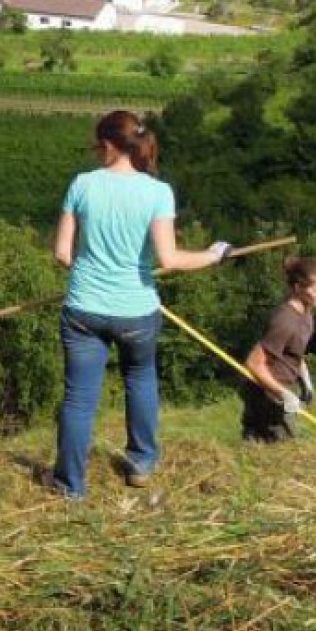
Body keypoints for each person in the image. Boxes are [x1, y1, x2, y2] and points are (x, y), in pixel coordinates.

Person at [48, 110, 228, 498]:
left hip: (83, 308)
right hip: (136, 311)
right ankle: (142, 463)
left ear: (109, 145)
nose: (97, 152)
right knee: (140, 378)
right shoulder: (157, 192)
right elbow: (169, 260)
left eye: (98, 146)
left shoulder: (82, 184)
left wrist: (95, 267)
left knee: (79, 398)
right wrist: (213, 255)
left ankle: (69, 487)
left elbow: (63, 254)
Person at [240, 257, 316, 443]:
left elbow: (295, 354)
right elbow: (254, 363)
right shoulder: (284, 320)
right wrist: (282, 393)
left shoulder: (307, 314)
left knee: (285, 446)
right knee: (276, 447)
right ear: (298, 288)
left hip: (283, 389)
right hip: (265, 394)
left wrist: (306, 382)